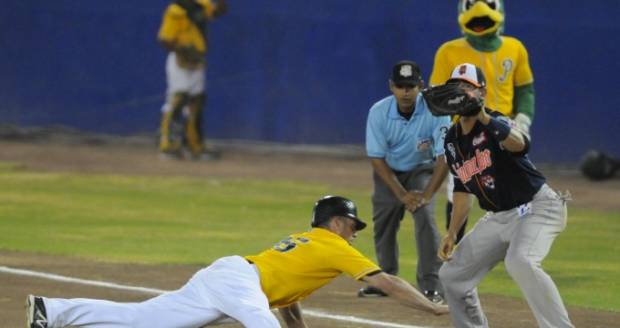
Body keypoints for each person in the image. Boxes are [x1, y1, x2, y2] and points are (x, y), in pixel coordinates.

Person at [26, 195, 449, 328]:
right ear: (336, 222)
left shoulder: (309, 241)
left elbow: (287, 294)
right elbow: (386, 282)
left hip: (230, 276)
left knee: (142, 319)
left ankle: (53, 311)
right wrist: (431, 307)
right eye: (351, 224)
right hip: (237, 282)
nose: (355, 232)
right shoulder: (332, 244)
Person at [425, 63, 573, 327]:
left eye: (467, 87)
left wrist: (483, 117)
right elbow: (462, 189)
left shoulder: (498, 121)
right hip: (499, 218)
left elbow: (521, 144)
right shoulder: (451, 140)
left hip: (539, 207)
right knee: (452, 275)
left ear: (481, 92)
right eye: (455, 87)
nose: (460, 92)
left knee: (521, 261)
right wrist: (451, 233)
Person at [430, 0, 536, 244]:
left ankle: (522, 244)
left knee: (517, 188)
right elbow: (439, 96)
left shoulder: (515, 48)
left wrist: (523, 119)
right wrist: (445, 134)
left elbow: (525, 90)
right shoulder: (448, 51)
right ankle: (455, 249)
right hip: (466, 131)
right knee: (459, 189)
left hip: (504, 129)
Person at [360, 60, 451, 303]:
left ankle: (431, 286)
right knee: (383, 223)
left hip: (423, 169)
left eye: (411, 86)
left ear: (421, 85)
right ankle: (386, 281)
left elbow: (444, 157)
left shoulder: (436, 111)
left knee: (426, 219)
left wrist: (427, 194)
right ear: (391, 86)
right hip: (389, 171)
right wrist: (401, 195)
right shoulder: (378, 112)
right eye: (400, 86)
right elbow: (377, 158)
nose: (406, 91)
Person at [157, 0, 227, 160]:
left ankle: (194, 145)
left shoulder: (202, 4)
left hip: (196, 61)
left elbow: (219, 11)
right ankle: (167, 145)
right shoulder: (176, 9)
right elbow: (165, 39)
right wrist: (182, 50)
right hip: (179, 61)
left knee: (197, 102)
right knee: (178, 100)